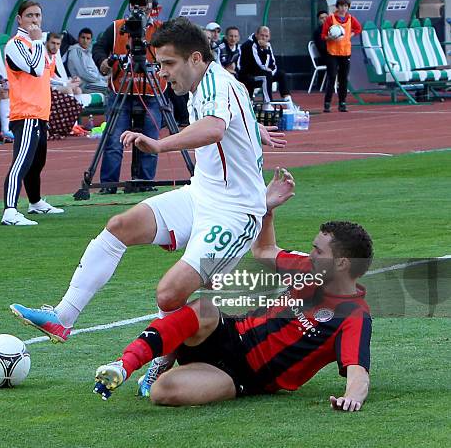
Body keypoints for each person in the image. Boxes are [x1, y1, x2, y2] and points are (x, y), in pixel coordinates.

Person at [10, 17, 286, 395]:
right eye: (158, 64)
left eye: (168, 64)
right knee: (121, 225)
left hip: (235, 214)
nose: (161, 73)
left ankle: (158, 365)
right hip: (202, 194)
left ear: (194, 58)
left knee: (169, 294)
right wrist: (255, 130)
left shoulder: (217, 84)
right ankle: (63, 317)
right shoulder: (209, 82)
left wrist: (159, 144)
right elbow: (228, 122)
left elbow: (214, 128)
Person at [93, 168, 373, 410]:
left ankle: (169, 356)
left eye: (318, 251)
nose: (311, 255)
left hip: (243, 375)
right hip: (228, 332)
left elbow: (358, 371)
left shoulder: (353, 315)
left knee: (162, 393)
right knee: (203, 307)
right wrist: (266, 209)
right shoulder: (307, 268)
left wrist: (351, 398)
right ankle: (125, 364)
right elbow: (264, 249)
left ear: (342, 263)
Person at [91, 0, 164, 194]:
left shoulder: (161, 30)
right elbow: (99, 48)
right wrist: (103, 62)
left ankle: (144, 183)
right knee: (114, 140)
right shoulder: (117, 27)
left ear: (152, 6)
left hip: (152, 92)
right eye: (136, 3)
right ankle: (108, 185)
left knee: (150, 140)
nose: (139, 8)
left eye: (144, 3)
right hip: (120, 90)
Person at [1, 0, 64, 226]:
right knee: (21, 162)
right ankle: (9, 210)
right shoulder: (16, 44)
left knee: (37, 162)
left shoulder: (37, 45)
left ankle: (35, 202)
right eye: (29, 16)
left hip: (40, 112)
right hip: (25, 113)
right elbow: (35, 70)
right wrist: (38, 42)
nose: (35, 20)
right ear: (20, 19)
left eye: (38, 15)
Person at [321, 0, 362, 113]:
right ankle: (327, 102)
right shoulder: (330, 19)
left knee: (343, 78)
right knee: (332, 76)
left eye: (345, 6)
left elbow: (358, 29)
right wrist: (330, 37)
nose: (343, 9)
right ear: (337, 7)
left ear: (348, 7)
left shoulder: (350, 19)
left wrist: (350, 35)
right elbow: (323, 35)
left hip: (345, 52)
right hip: (332, 53)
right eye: (341, 6)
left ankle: (342, 102)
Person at [238, 26, 292, 110]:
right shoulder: (250, 45)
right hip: (248, 75)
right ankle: (267, 104)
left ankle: (288, 102)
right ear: (256, 35)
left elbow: (273, 63)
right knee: (266, 75)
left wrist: (272, 72)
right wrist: (265, 51)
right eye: (262, 35)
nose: (264, 38)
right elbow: (259, 64)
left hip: (261, 73)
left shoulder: (267, 45)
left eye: (266, 36)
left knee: (281, 74)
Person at [66, 28, 108, 93]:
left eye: (88, 38)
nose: (85, 41)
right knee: (109, 89)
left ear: (91, 40)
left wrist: (104, 78)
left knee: (113, 86)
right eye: (83, 38)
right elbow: (84, 74)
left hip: (93, 82)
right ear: (78, 38)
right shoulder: (76, 51)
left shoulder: (88, 52)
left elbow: (94, 71)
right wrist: (100, 79)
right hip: (83, 85)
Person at [45, 33, 83, 97]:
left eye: (58, 44)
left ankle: (79, 106)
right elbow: (46, 79)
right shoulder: (43, 56)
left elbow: (53, 76)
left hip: (50, 84)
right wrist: (65, 84)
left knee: (77, 90)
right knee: (68, 89)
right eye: (53, 43)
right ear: (47, 43)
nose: (55, 47)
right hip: (43, 85)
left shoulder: (53, 57)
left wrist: (70, 81)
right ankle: (71, 106)